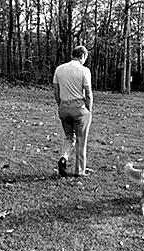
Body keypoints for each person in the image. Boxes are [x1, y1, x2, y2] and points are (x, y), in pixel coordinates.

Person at [52, 45, 93, 178]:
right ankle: (80, 171)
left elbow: (56, 91)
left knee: (69, 137)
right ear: (82, 56)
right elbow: (88, 94)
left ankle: (63, 158)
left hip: (63, 107)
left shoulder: (59, 69)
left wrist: (60, 105)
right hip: (79, 109)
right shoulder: (84, 70)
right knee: (81, 140)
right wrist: (89, 110)